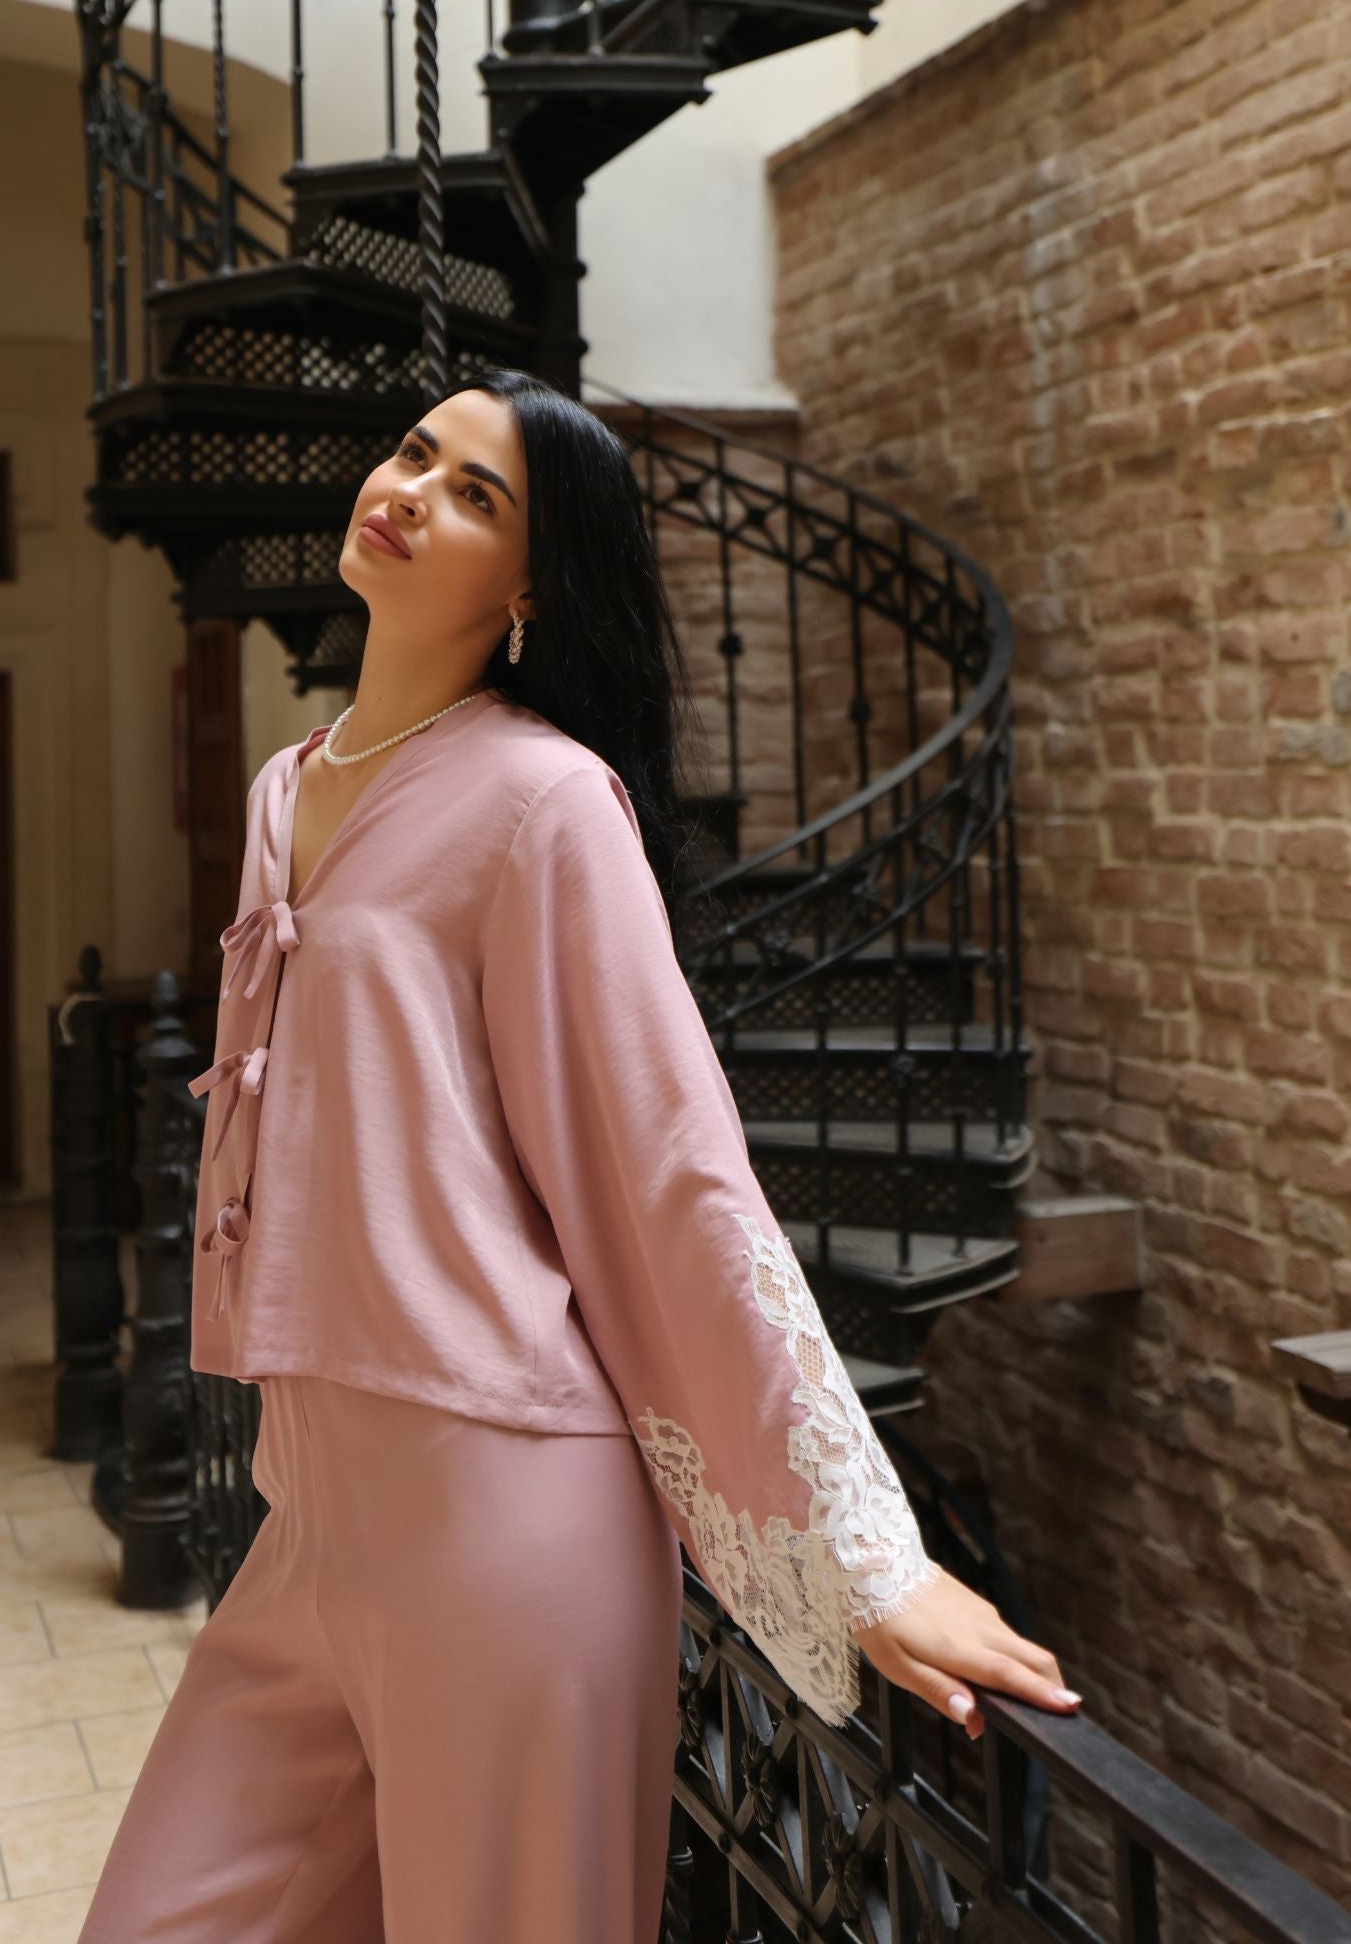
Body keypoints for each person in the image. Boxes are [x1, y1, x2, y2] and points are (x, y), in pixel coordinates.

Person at [78, 370, 1077, 1944]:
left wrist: (866, 1557)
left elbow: (667, 1175)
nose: (408, 491)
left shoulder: (546, 803)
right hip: (311, 1508)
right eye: (416, 453)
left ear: (536, 584)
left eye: (477, 494)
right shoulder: (289, 787)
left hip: (499, 1515)